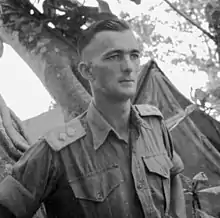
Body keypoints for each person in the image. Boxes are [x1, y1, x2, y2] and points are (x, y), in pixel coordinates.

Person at [0, 18, 186, 218]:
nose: (129, 66)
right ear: (87, 71)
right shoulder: (55, 152)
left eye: (134, 55)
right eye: (114, 56)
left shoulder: (155, 125)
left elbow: (174, 174)